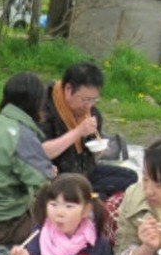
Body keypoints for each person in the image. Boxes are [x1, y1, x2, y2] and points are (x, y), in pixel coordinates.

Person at [0, 72, 55, 245]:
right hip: (4, 225)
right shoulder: (22, 135)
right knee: (63, 227)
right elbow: (43, 185)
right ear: (35, 103)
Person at [39, 62, 137, 200]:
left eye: (94, 100)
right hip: (59, 179)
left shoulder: (91, 113)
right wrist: (78, 132)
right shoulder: (44, 109)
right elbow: (41, 151)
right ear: (68, 89)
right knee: (102, 195)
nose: (89, 105)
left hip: (85, 173)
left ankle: (88, 197)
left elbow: (91, 156)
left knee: (130, 177)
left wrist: (98, 151)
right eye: (85, 100)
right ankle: (89, 198)